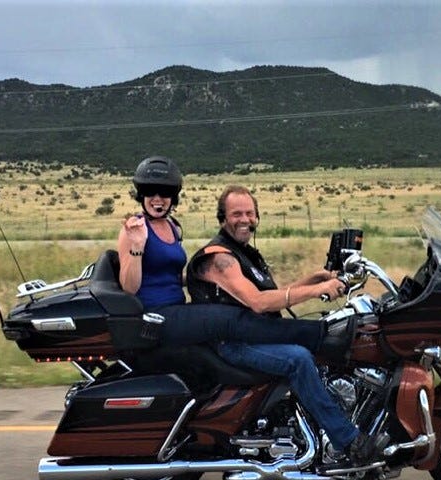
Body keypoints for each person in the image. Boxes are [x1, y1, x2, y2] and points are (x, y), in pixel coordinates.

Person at [186, 184, 376, 467]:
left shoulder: (246, 253)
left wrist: (314, 279)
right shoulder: (219, 258)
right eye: (236, 213)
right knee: (298, 359)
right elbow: (258, 302)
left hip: (251, 333)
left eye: (250, 213)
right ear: (223, 218)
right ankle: (348, 440)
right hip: (232, 343)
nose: (244, 219)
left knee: (320, 343)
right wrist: (315, 291)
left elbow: (274, 296)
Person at [116, 156, 344, 354]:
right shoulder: (135, 229)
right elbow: (129, 288)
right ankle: (322, 335)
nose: (158, 198)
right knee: (228, 319)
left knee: (228, 315)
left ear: (173, 197)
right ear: (141, 194)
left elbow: (167, 275)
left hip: (177, 308)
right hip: (155, 317)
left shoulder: (172, 227)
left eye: (165, 192)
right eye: (150, 191)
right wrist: (136, 247)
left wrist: (206, 276)